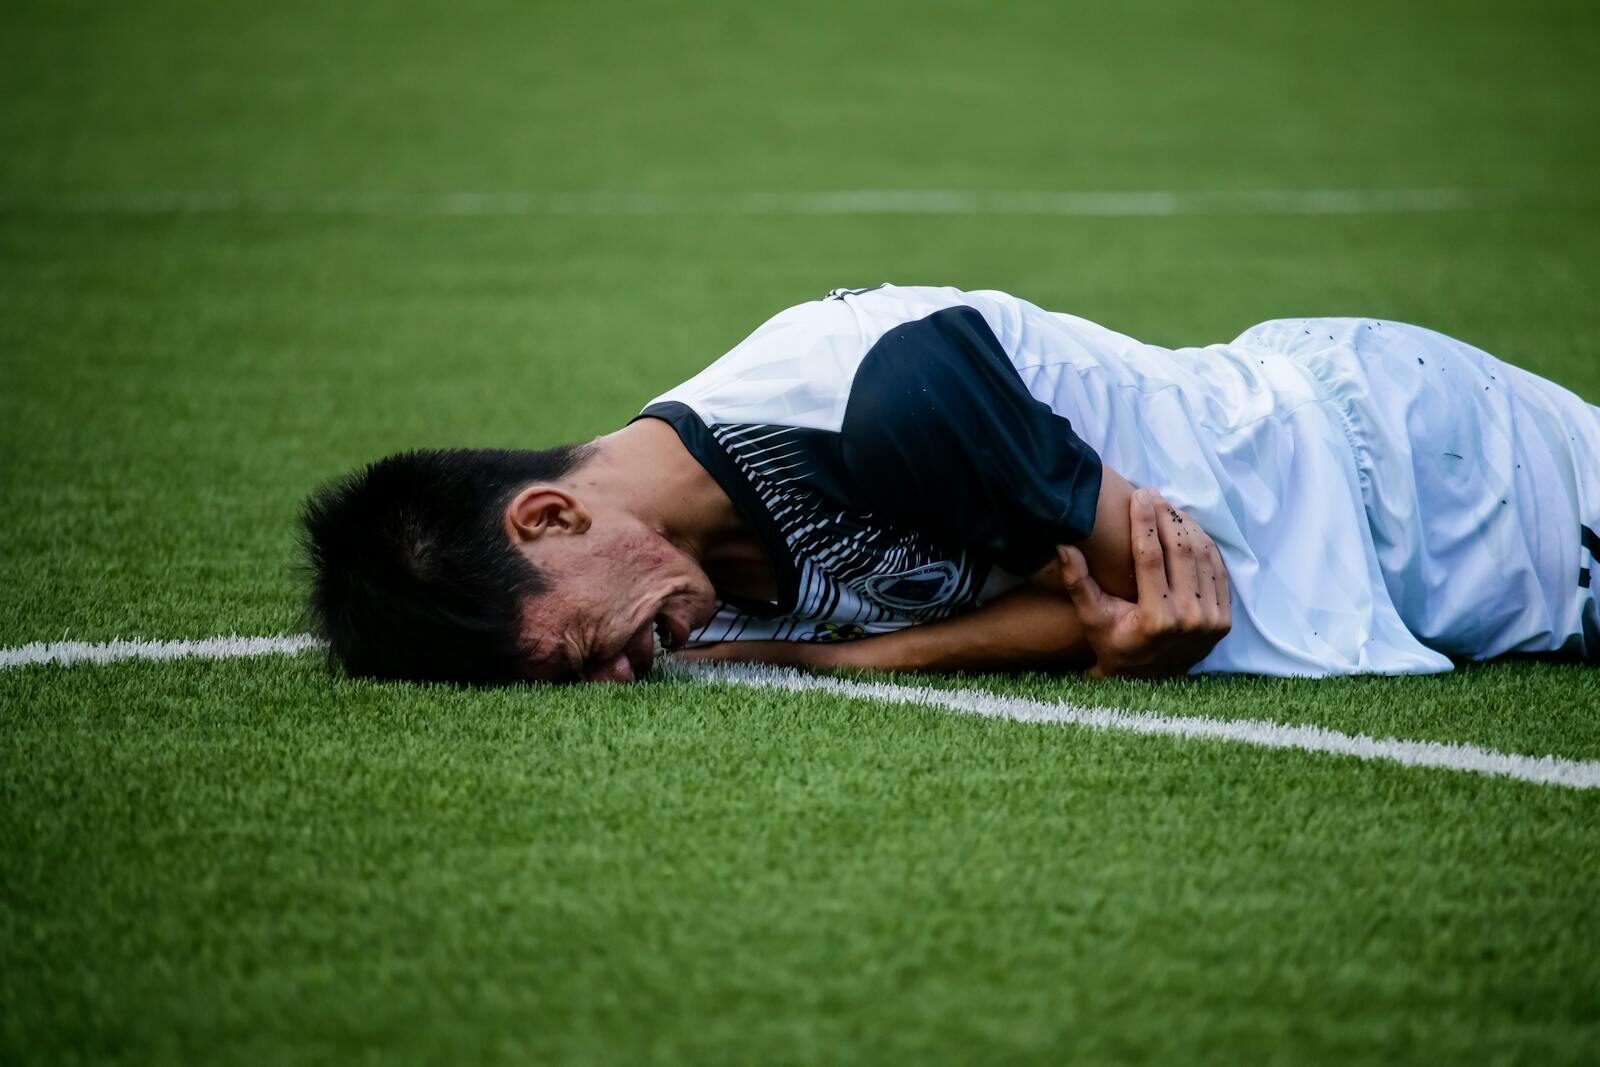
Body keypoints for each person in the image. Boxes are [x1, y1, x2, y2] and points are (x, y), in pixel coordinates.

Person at [301, 285, 1600, 684]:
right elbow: (1091, 624)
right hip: (1389, 573)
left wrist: (849, 666)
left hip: (1407, 462)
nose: (620, 678)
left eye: (577, 651)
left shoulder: (881, 394)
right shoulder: (683, 594)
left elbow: (1151, 594)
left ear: (551, 515)